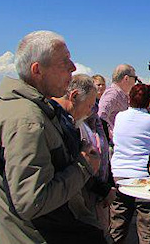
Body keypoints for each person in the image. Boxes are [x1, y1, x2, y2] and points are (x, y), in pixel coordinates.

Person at [0, 30, 104, 244]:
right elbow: (31, 201)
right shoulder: (27, 120)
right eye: (64, 62)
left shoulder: (23, 108)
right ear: (37, 70)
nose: (73, 68)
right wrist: (83, 166)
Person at [53, 74, 116, 234]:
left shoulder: (86, 122)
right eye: (89, 105)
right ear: (74, 96)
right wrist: (101, 188)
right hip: (80, 197)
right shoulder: (65, 124)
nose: (90, 111)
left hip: (92, 193)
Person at [109, 84, 150, 244]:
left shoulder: (120, 116)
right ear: (149, 102)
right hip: (143, 176)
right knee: (148, 227)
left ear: (129, 98)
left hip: (119, 174)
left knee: (117, 224)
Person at [98, 64, 139, 138]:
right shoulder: (112, 94)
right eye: (135, 78)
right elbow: (101, 117)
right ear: (126, 78)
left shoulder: (121, 94)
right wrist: (112, 135)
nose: (135, 82)